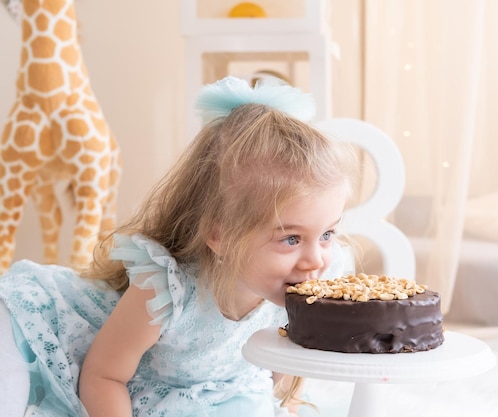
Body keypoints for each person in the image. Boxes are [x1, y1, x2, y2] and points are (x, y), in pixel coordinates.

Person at [0, 76, 357, 417]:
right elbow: (103, 376)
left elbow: (286, 380)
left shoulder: (304, 289)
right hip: (60, 339)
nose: (315, 260)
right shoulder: (166, 290)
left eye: (327, 234)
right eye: (291, 239)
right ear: (219, 236)